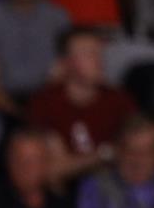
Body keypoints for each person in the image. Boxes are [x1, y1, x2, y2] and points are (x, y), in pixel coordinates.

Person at [27, 27, 137, 184]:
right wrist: (105, 154)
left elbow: (136, 152)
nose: (98, 60)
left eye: (99, 53)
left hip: (116, 186)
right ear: (66, 62)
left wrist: (79, 162)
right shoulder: (46, 103)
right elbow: (53, 171)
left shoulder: (118, 100)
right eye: (88, 54)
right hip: (67, 192)